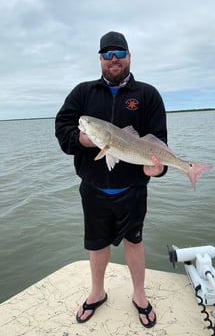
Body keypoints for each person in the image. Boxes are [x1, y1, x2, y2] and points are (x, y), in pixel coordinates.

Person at [55, 31, 168, 328]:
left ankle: (139, 295)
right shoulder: (83, 93)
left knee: (134, 241)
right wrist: (82, 138)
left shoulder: (148, 94)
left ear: (129, 56)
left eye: (119, 53)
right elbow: (63, 129)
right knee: (96, 243)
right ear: (100, 59)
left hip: (133, 190)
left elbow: (159, 143)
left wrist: (161, 168)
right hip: (93, 188)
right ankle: (97, 292)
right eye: (107, 54)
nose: (113, 59)